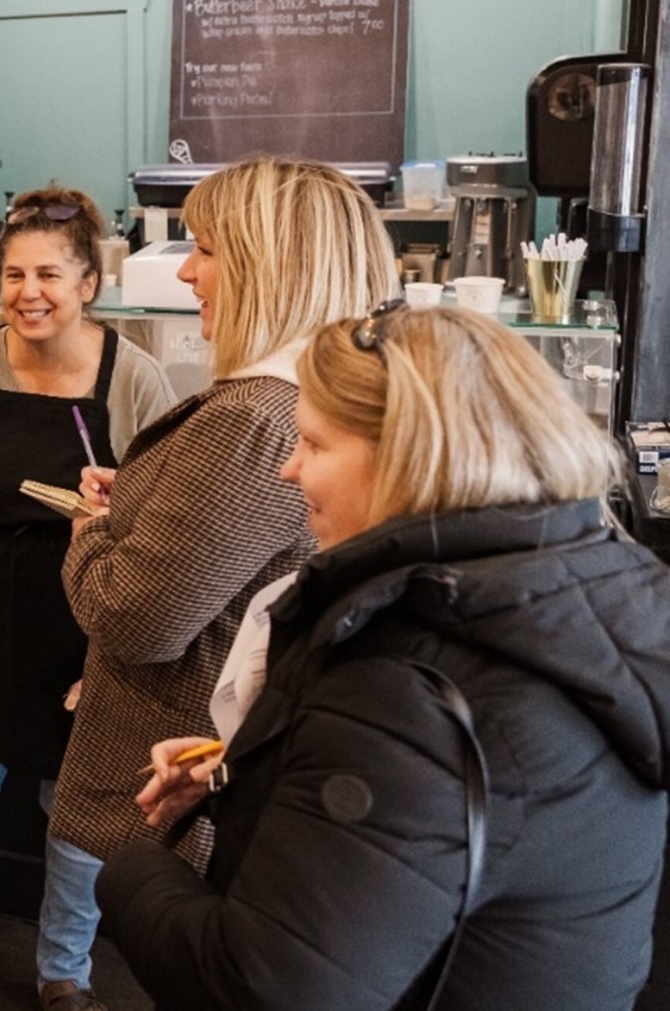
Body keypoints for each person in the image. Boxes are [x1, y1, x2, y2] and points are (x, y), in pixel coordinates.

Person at [98, 305, 670, 1010]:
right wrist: (253, 773)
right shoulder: (576, 598)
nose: (288, 468)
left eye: (313, 442)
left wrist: (129, 870)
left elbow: (259, 987)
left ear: (405, 457)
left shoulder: (406, 689)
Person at [46, 158, 398, 1010]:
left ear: (269, 264)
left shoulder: (248, 417)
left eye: (204, 248)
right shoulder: (308, 404)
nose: (188, 271)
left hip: (191, 782)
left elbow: (136, 619)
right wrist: (143, 499)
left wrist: (93, 533)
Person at [0, 185, 174, 1006]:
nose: (28, 293)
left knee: (74, 820)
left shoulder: (135, 380)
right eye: (13, 275)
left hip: (85, 635)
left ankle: (64, 972)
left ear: (89, 283)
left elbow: (157, 534)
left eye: (49, 274)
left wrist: (110, 659)